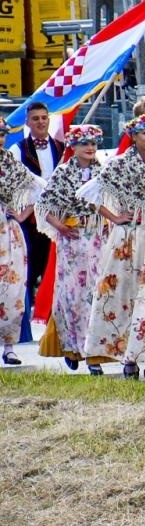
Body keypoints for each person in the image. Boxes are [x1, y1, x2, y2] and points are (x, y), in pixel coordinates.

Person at [85, 114, 145, 380]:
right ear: (134, 136)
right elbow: (90, 193)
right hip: (128, 238)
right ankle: (128, 357)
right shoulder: (120, 164)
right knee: (123, 295)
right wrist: (114, 217)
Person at [37, 125, 107, 372]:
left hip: (98, 237)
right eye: (85, 143)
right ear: (73, 147)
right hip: (73, 240)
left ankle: (95, 352)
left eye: (94, 144)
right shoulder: (64, 173)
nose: (90, 148)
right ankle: (73, 346)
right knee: (73, 294)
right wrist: (61, 226)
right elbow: (44, 206)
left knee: (97, 292)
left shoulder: (103, 171)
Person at [9, 100, 62, 340]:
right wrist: (22, 213)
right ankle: (22, 329)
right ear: (27, 122)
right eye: (36, 118)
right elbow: (15, 186)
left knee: (55, 271)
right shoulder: (18, 150)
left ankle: (55, 325)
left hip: (56, 220)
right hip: (29, 222)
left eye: (44, 117)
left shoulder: (61, 147)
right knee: (27, 273)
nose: (41, 122)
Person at [0, 144, 37, 364]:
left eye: (2, 134)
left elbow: (38, 188)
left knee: (11, 289)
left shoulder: (11, 164)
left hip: (8, 230)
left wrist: (22, 214)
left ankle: (9, 346)